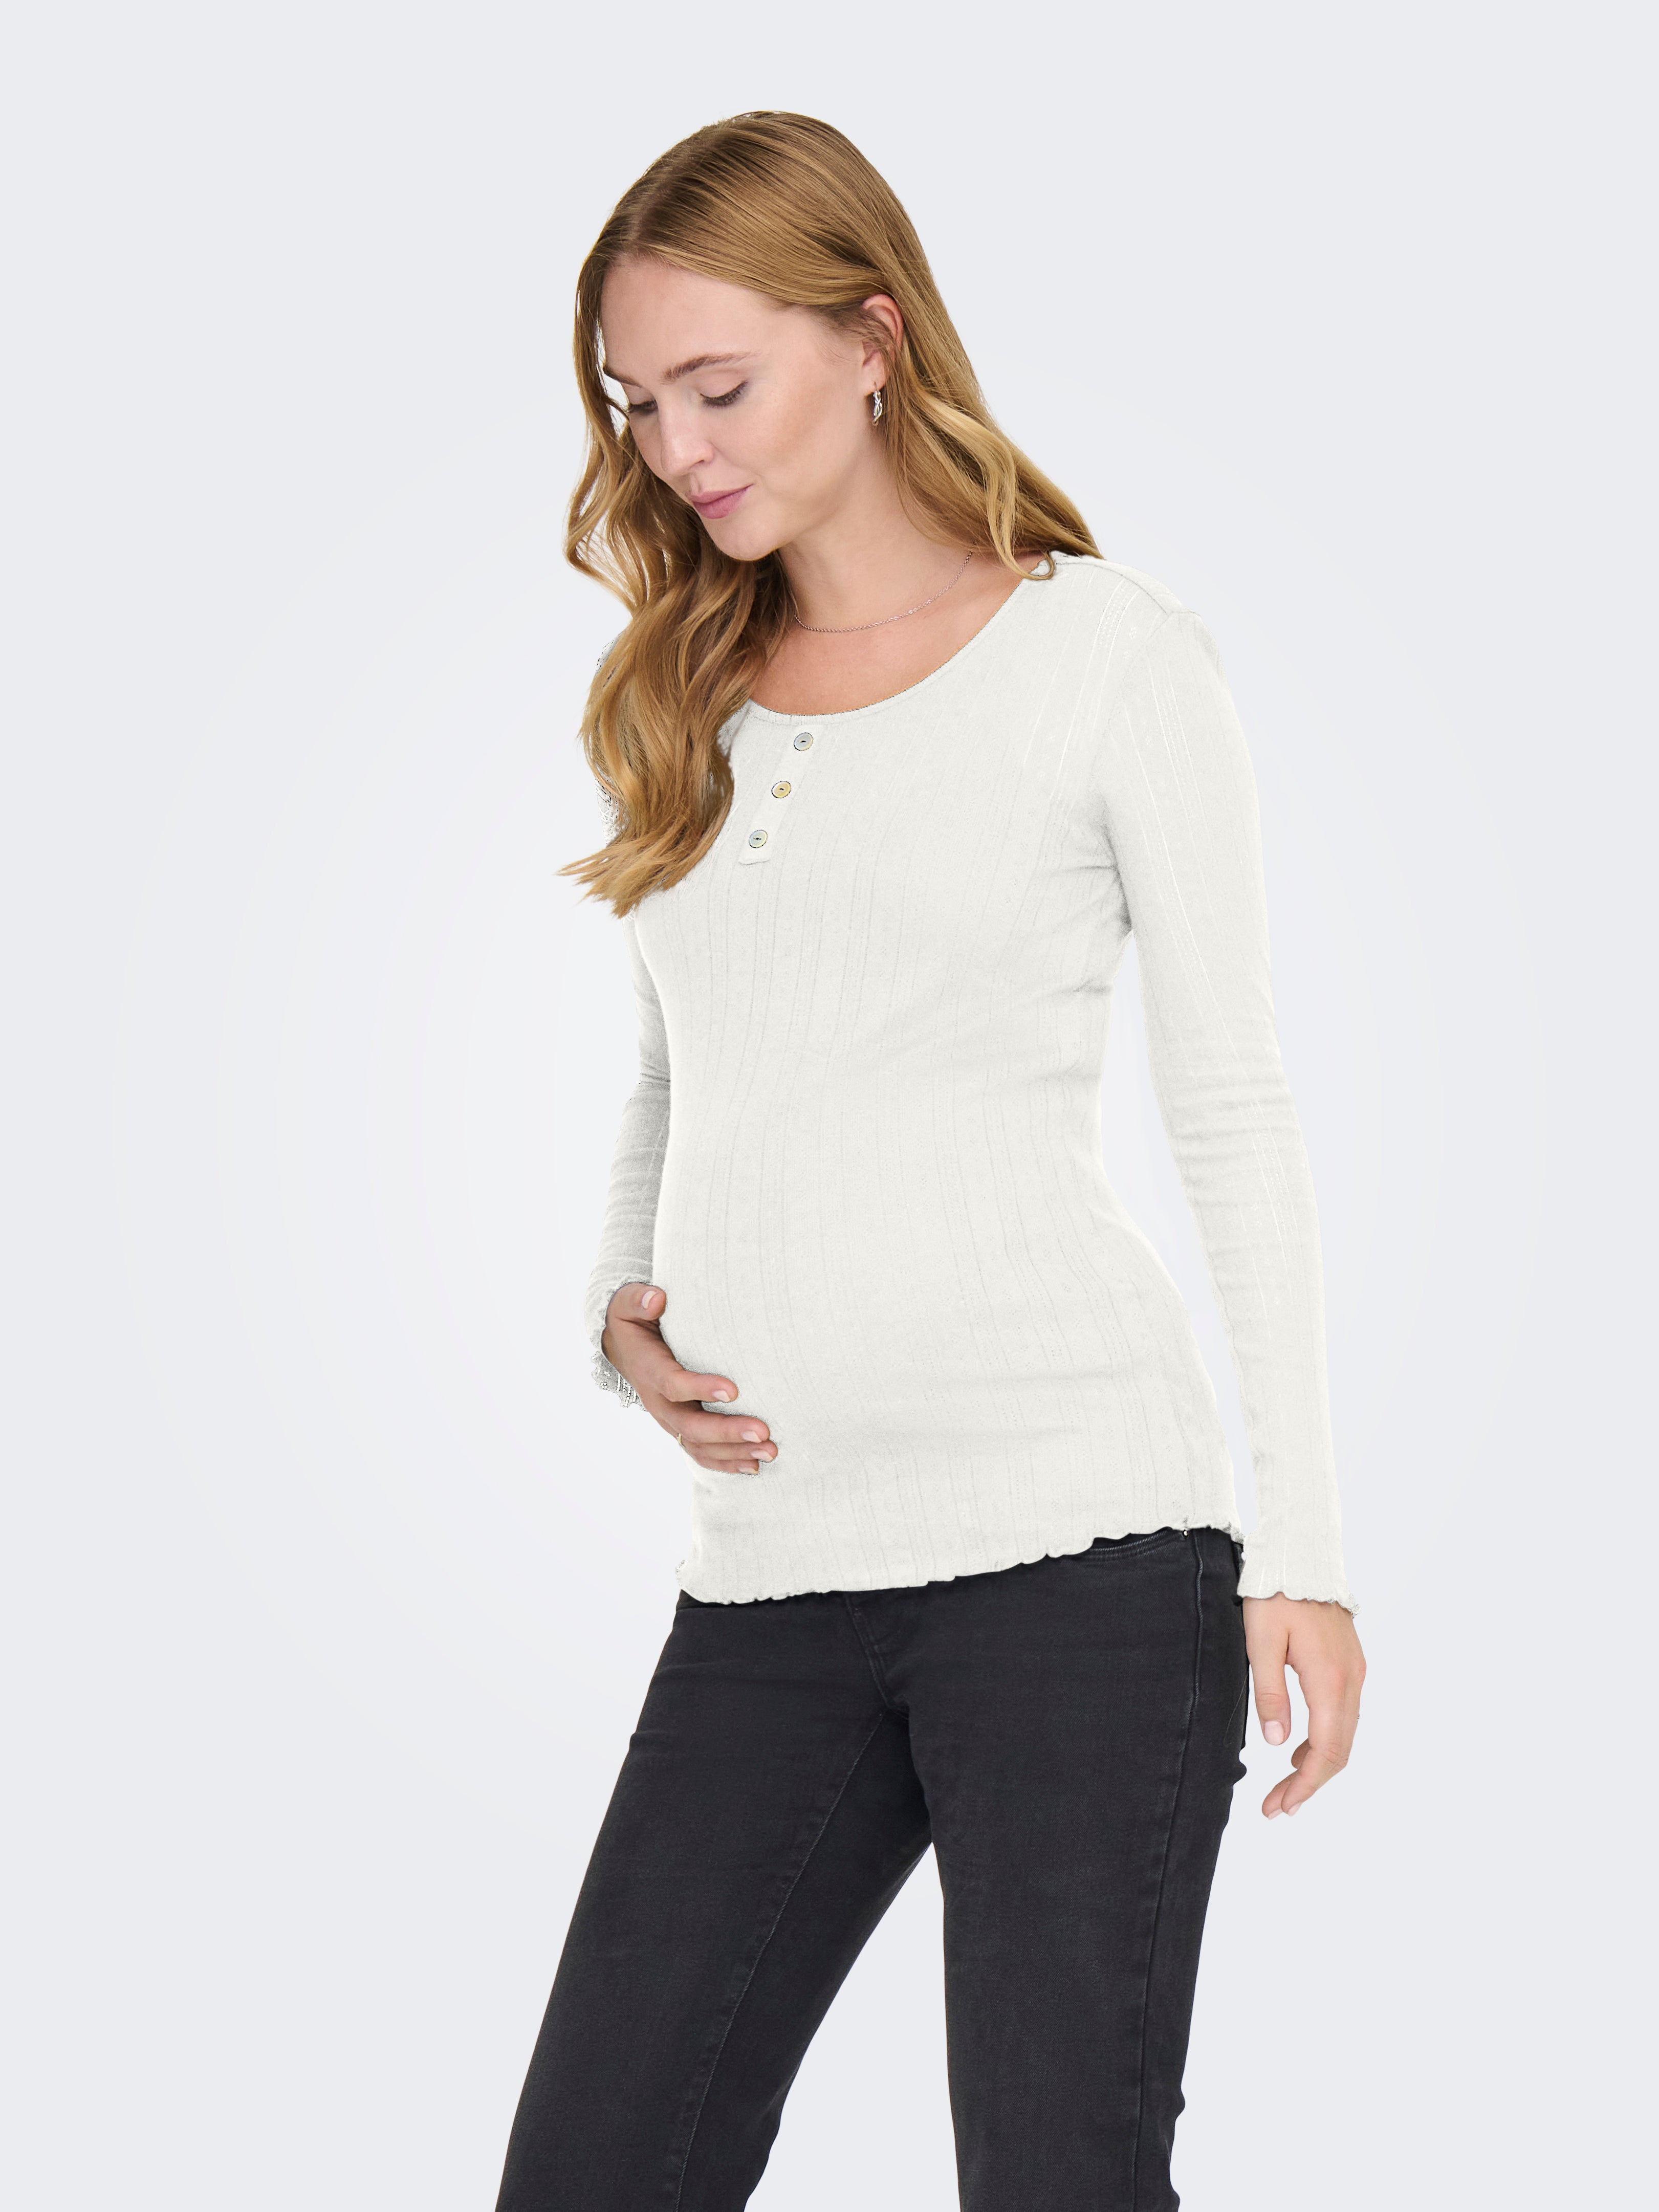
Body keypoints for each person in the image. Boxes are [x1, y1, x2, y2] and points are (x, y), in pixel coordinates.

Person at [496, 110, 1366, 2212]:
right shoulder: (682, 692)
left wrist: (1306, 1550)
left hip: (1081, 1557)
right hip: (773, 1567)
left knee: (1057, 2181)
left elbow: (1233, 1106)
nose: (676, 447)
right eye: (637, 401)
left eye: (720, 384)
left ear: (871, 339)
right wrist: (619, 1303)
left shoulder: (1106, 658)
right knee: (597, 2168)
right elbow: (674, 1051)